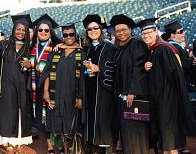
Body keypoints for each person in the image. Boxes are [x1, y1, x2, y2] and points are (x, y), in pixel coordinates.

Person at [138, 18, 196, 154]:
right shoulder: (153, 50)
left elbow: (173, 76)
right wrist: (147, 69)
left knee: (169, 143)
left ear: (156, 31)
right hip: (160, 100)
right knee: (165, 142)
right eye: (143, 34)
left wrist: (169, 99)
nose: (146, 36)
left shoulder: (164, 49)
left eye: (149, 32)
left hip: (167, 101)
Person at [110, 14, 154, 154]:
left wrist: (132, 91)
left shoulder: (137, 43)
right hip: (123, 96)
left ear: (130, 29)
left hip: (135, 96)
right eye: (118, 31)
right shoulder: (120, 47)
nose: (121, 33)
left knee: (137, 131)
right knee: (127, 131)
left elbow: (139, 68)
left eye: (124, 29)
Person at [39, 22, 85, 153]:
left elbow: (83, 77)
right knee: (58, 126)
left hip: (72, 96)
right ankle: (64, 150)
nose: (69, 37)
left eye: (71, 34)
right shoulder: (56, 51)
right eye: (66, 34)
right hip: (56, 95)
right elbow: (47, 72)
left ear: (76, 35)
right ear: (62, 36)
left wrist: (81, 97)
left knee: (71, 126)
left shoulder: (81, 53)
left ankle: (71, 150)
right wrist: (46, 92)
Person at [0, 14, 33, 153]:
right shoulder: (3, 46)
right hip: (7, 87)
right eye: (18, 29)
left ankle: (18, 143)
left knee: (21, 114)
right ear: (13, 29)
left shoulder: (29, 48)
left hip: (22, 87)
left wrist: (30, 65)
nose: (20, 32)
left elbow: (35, 67)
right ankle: (8, 143)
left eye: (24, 30)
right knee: (7, 114)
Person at [81, 14, 118, 154]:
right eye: (89, 29)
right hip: (90, 91)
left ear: (101, 30)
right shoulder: (88, 49)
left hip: (104, 92)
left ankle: (107, 150)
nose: (93, 31)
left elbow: (115, 70)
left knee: (104, 123)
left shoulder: (110, 48)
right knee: (92, 122)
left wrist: (100, 69)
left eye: (96, 28)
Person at [29, 13, 63, 154]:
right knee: (42, 119)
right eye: (40, 30)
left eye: (46, 30)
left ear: (51, 32)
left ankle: (60, 146)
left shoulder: (57, 47)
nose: (43, 32)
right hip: (35, 88)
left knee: (54, 118)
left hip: (52, 89)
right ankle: (49, 146)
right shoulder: (31, 48)